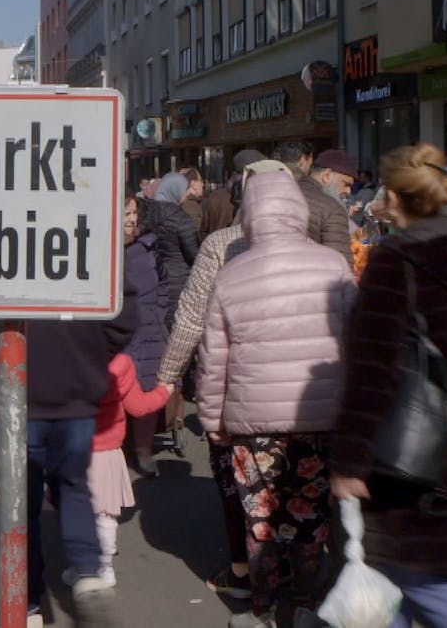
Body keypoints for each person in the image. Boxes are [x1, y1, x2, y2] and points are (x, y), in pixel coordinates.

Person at [330, 144, 447, 628]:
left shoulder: (396, 263)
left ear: (392, 196)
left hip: (406, 461)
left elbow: (372, 371)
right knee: (394, 594)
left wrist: (348, 461)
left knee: (429, 586)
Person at [197, 165, 356, 627]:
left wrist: (213, 421)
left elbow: (215, 361)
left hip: (254, 423)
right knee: (311, 519)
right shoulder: (333, 266)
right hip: (321, 417)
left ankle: (262, 612)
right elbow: (356, 343)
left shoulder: (232, 275)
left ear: (250, 215)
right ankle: (306, 606)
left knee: (261, 523)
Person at [0, 315, 135, 628]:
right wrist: (88, 353)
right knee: (74, 486)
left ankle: (26, 604)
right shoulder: (97, 264)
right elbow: (122, 313)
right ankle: (88, 575)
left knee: (18, 503)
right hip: (75, 390)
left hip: (12, 392)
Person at [158, 153, 279, 603]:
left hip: (232, 386)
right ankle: (294, 576)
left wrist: (168, 375)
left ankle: (243, 571)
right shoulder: (312, 251)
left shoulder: (222, 245)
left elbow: (191, 318)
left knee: (234, 482)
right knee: (291, 483)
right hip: (300, 394)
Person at [88, 354, 171, 588]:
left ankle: (81, 567)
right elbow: (139, 407)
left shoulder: (68, 357)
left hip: (72, 448)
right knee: (105, 514)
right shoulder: (121, 363)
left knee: (75, 512)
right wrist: (165, 391)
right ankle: (104, 566)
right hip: (106, 451)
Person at [117, 193, 170, 478]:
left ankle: (143, 450)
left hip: (149, 328)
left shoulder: (148, 245)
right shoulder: (102, 247)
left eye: (134, 213)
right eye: (126, 214)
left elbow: (164, 280)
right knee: (116, 391)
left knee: (147, 387)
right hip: (116, 332)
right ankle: (117, 450)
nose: (132, 219)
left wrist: (159, 312)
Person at [143, 171, 201, 328]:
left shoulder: (145, 214)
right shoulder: (182, 219)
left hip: (151, 279)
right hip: (178, 282)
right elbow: (194, 256)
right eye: (184, 190)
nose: (186, 194)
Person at [293, 147, 358, 267]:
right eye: (346, 184)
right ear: (327, 175)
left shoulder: (286, 192)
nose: (348, 191)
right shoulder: (332, 209)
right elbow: (341, 269)